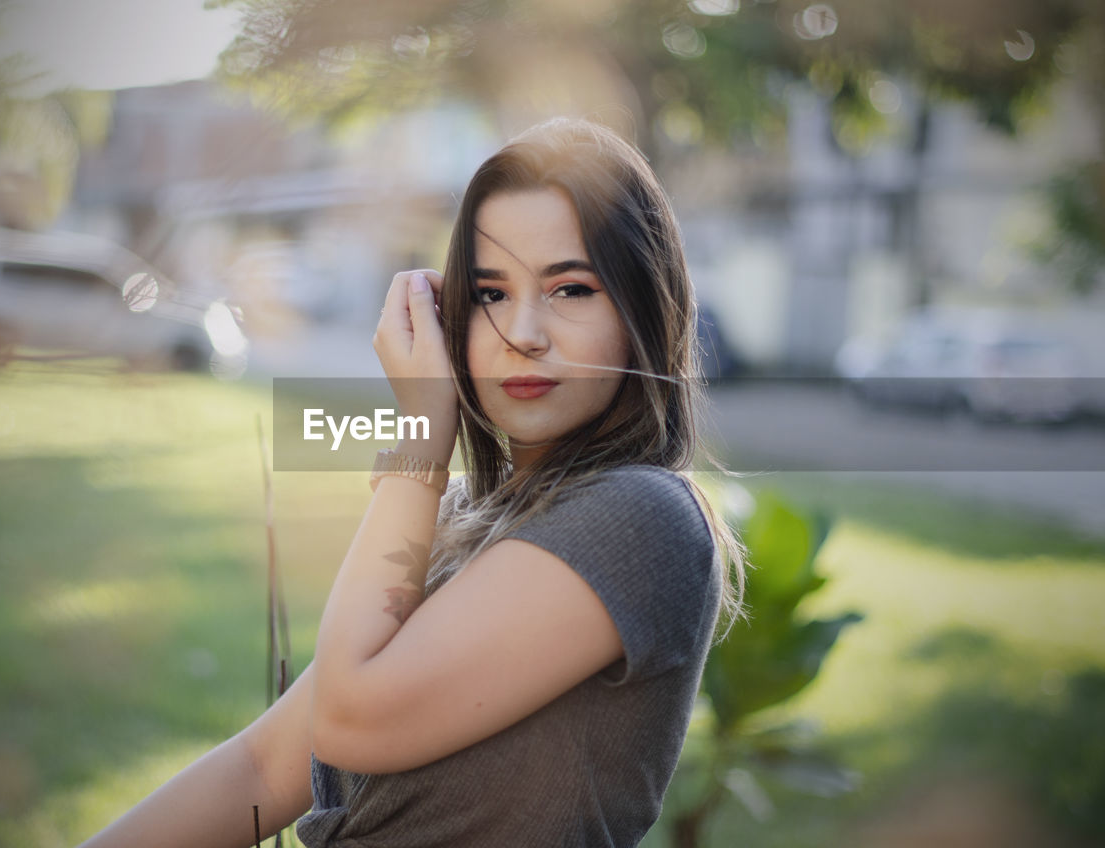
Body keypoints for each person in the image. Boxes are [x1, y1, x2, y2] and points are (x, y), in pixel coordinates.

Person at [79, 117, 747, 848]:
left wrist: (422, 435)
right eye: (490, 293)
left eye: (571, 288)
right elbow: (262, 767)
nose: (522, 331)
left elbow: (350, 717)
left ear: (640, 308)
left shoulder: (642, 517)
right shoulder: (467, 512)